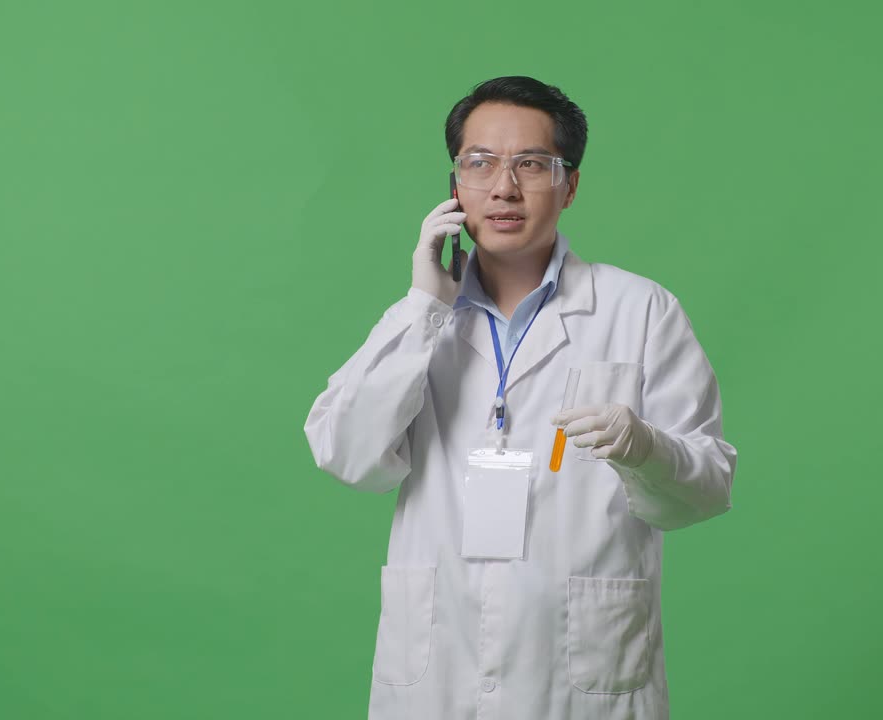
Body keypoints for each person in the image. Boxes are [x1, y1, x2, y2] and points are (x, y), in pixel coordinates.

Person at [303, 75, 736, 720]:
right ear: (455, 186)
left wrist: (644, 447)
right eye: (480, 164)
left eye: (531, 164)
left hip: (583, 680)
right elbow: (347, 454)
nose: (504, 187)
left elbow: (706, 490)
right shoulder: (419, 319)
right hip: (437, 673)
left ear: (570, 184)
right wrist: (425, 306)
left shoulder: (639, 309)